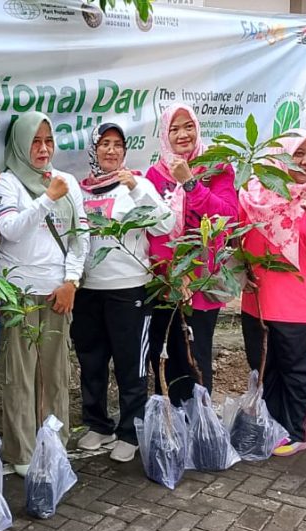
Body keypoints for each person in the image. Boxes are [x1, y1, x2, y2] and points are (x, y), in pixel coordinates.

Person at [0, 111, 89, 476]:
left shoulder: (67, 181)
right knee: (18, 374)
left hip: (57, 292)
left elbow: (81, 236)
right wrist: (47, 198)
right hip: (18, 292)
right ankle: (21, 450)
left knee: (55, 373)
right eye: (35, 141)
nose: (43, 149)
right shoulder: (7, 184)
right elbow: (11, 230)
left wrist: (71, 281)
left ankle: (55, 442)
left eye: (48, 141)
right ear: (19, 144)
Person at [239, 128, 306, 457]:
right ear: (280, 157)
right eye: (298, 153)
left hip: (301, 306)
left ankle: (296, 433)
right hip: (257, 302)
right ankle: (270, 428)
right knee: (264, 369)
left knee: (298, 374)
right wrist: (238, 270)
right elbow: (235, 239)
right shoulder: (254, 196)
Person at [73, 123, 176, 463]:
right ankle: (98, 424)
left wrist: (136, 189)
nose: (111, 150)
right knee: (91, 361)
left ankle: (131, 430)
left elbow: (165, 224)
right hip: (89, 290)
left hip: (129, 288)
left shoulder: (137, 184)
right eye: (104, 144)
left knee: (131, 363)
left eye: (118, 144)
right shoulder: (82, 190)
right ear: (94, 149)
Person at [144, 103, 238, 405]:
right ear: (165, 134)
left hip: (202, 281)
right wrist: (172, 275)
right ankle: (170, 423)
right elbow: (154, 231)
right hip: (166, 282)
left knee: (195, 358)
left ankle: (199, 423)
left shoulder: (216, 166)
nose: (182, 134)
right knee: (165, 357)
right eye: (174, 128)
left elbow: (228, 215)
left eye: (188, 126)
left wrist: (190, 182)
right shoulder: (155, 174)